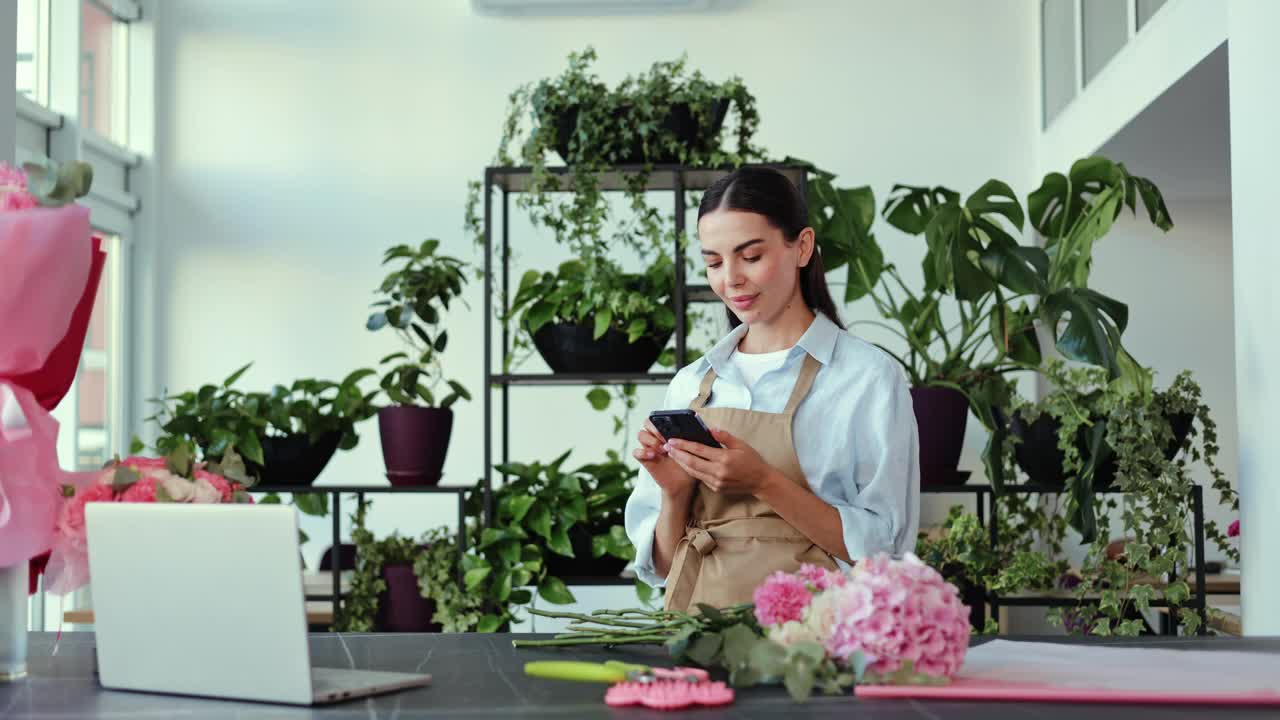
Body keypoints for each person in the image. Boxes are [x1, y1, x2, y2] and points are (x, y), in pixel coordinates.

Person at [623, 166, 920, 612]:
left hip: (818, 641)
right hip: (695, 635)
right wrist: (676, 491)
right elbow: (663, 568)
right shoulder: (691, 384)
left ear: (801, 247)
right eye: (714, 262)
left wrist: (763, 480)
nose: (731, 279)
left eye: (751, 256)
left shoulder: (867, 378)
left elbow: (884, 551)